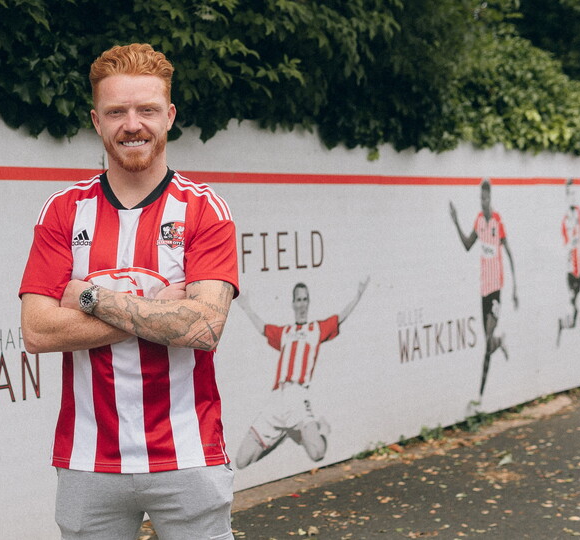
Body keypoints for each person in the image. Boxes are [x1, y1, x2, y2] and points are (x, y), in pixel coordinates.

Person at [19, 43, 239, 540]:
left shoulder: (205, 211)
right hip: (88, 458)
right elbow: (37, 330)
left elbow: (204, 327)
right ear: (96, 121)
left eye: (147, 110)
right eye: (117, 111)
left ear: (170, 116)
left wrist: (92, 298)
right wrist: (159, 312)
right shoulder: (62, 211)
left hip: (188, 453)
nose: (132, 124)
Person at [232, 278, 368, 467]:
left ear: (308, 302)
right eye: (298, 299)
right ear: (293, 303)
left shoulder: (316, 329)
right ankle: (283, 435)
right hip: (277, 399)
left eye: (305, 299)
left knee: (317, 453)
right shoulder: (285, 332)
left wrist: (357, 297)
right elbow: (263, 328)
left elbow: (340, 317)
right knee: (241, 460)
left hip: (298, 397)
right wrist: (246, 308)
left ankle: (321, 430)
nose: (302, 304)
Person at [449, 178, 518, 399]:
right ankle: (499, 342)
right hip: (483, 290)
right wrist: (456, 220)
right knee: (487, 342)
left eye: (485, 197)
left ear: (491, 198)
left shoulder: (497, 221)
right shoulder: (479, 221)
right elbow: (468, 245)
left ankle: (479, 395)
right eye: (480, 197)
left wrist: (515, 288)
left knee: (487, 339)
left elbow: (508, 252)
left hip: (496, 288)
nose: (482, 201)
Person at [557, 178, 580, 365]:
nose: (573, 196)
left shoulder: (579, 214)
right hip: (571, 273)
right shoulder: (565, 220)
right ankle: (563, 326)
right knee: (576, 314)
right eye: (570, 193)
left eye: (574, 192)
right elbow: (563, 248)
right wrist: (571, 244)